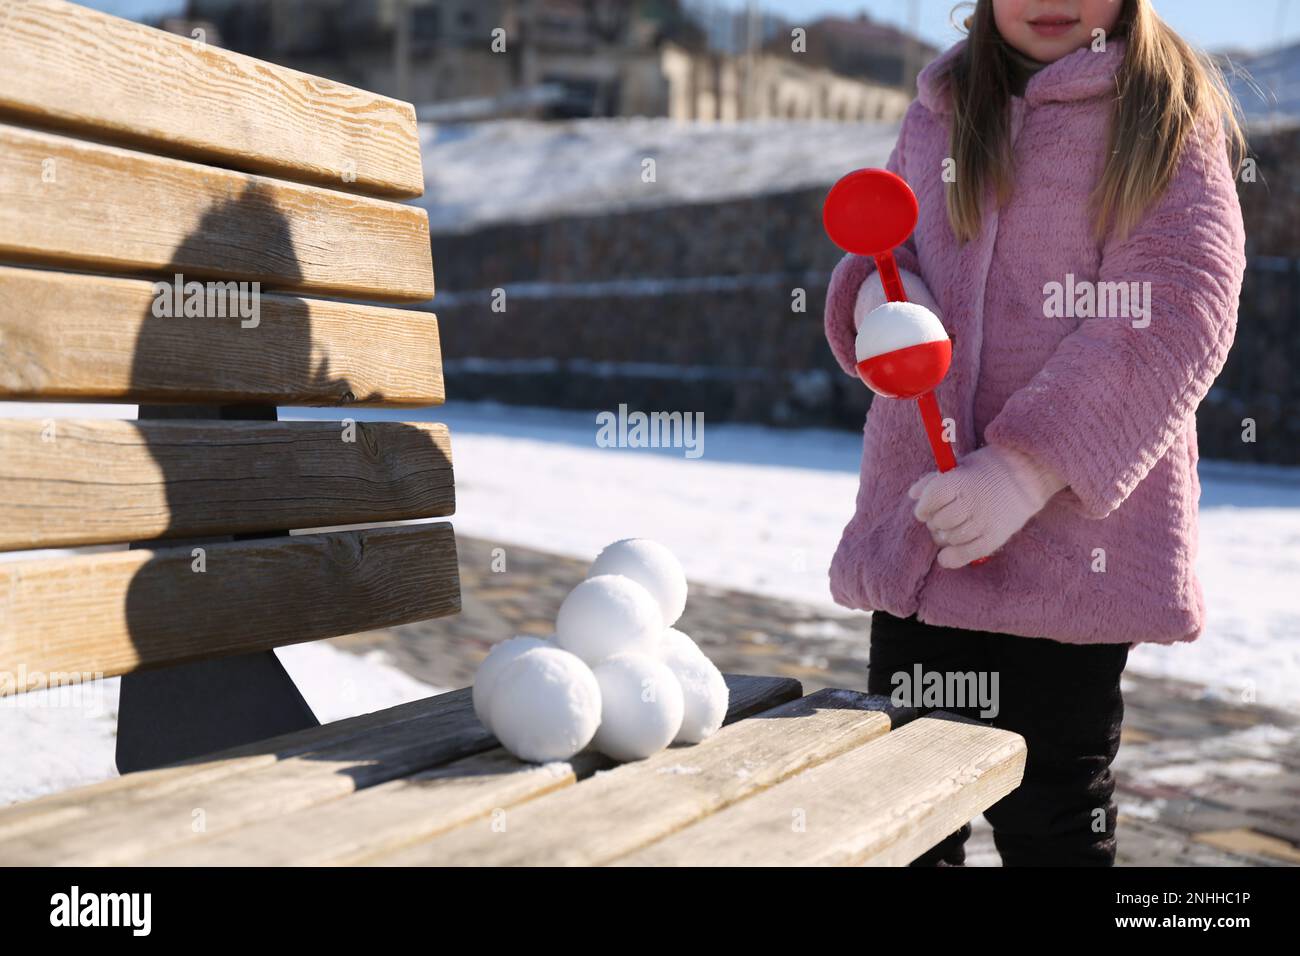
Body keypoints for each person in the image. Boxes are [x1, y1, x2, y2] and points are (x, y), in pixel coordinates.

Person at [823, 0, 1246, 865]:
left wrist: (1022, 471)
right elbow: (889, 248)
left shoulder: (1160, 107)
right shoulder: (943, 102)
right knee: (902, 801)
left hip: (1072, 559)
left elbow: (1176, 308)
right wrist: (880, 301)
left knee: (1052, 810)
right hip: (929, 534)